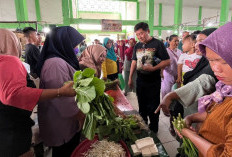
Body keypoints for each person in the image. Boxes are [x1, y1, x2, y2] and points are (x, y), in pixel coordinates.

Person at [0, 29, 76, 157]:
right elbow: (14, 94)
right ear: (10, 43)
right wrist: (60, 92)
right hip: (11, 132)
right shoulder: (8, 62)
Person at [175, 22, 232, 157]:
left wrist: (190, 135)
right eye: (211, 60)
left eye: (223, 61)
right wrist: (192, 117)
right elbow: (220, 117)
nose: (215, 68)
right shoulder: (225, 88)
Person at [156, 28, 217, 137]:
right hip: (194, 112)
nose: (197, 45)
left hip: (202, 117)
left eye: (201, 41)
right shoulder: (205, 60)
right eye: (196, 41)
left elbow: (203, 82)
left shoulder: (215, 64)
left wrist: (171, 95)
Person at [36, 26, 85, 157]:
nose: (76, 48)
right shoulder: (55, 64)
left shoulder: (60, 60)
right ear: (64, 42)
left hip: (64, 119)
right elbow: (63, 98)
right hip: (61, 121)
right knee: (64, 152)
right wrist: (81, 115)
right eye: (74, 44)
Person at [128, 22, 170, 133]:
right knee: (142, 104)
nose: (139, 36)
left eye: (141, 33)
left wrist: (153, 68)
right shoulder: (137, 46)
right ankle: (144, 125)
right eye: (137, 34)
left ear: (148, 31)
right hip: (140, 80)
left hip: (153, 81)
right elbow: (134, 61)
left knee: (153, 105)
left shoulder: (157, 44)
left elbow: (167, 61)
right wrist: (130, 77)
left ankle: (154, 127)